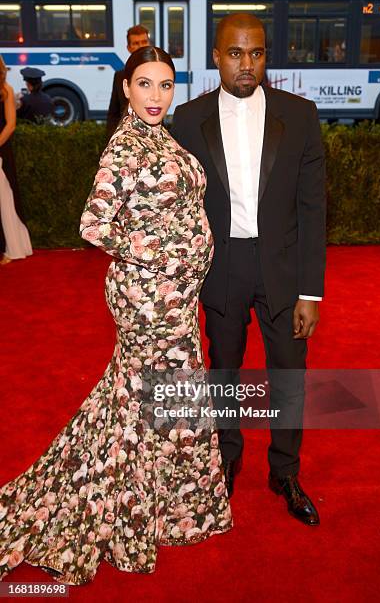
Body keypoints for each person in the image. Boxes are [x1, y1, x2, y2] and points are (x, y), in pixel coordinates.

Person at [0, 46, 232, 585]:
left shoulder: (157, 136)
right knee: (149, 397)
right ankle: (125, 511)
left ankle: (167, 509)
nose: (156, 96)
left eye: (166, 85)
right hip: (149, 298)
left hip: (173, 295)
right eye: (145, 84)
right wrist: (166, 254)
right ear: (126, 88)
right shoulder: (124, 147)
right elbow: (95, 225)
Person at [172, 14, 326, 526]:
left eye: (256, 53)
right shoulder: (189, 120)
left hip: (282, 268)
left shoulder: (300, 115)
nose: (247, 64)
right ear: (216, 56)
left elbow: (312, 209)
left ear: (266, 56)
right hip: (222, 266)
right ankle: (227, 457)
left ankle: (284, 470)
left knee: (289, 375)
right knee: (224, 371)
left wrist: (311, 292)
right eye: (235, 53)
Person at [0, 55, 32, 265]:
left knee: (4, 201)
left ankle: (11, 248)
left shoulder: (6, 90)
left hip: (1, 150)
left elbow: (11, 124)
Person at [106, 25, 150, 138]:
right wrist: (113, 138)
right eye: (136, 43)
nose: (140, 46)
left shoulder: (157, 74)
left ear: (149, 44)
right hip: (126, 140)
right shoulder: (120, 76)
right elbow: (113, 113)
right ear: (129, 48)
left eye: (144, 42)